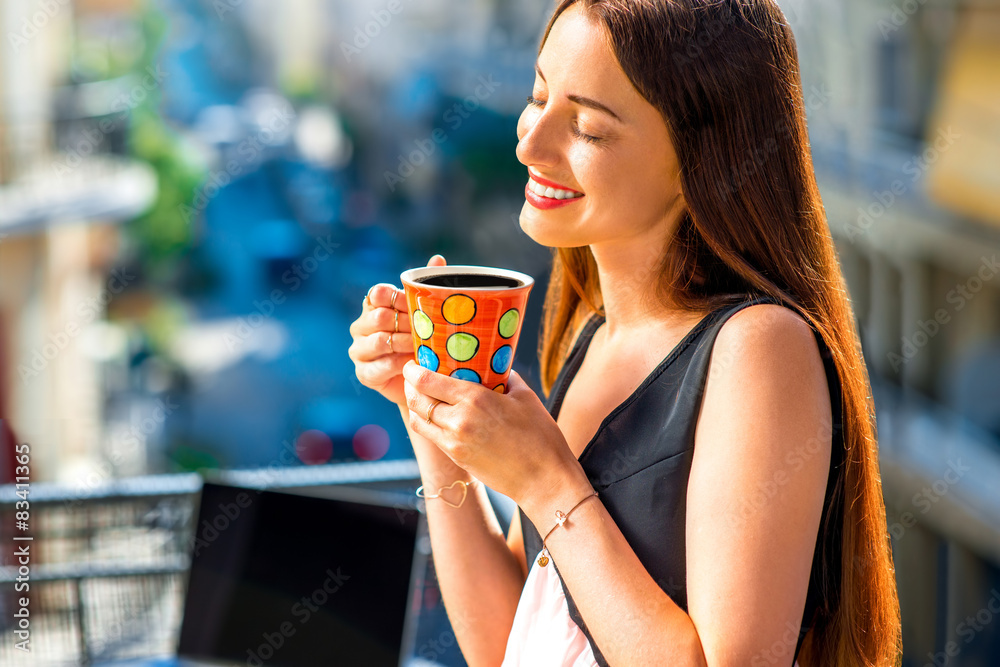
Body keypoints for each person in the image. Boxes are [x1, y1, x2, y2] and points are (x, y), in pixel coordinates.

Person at [348, 0, 902, 665]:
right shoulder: (595, 337)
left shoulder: (758, 347)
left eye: (585, 126)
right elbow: (514, 642)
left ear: (701, 156)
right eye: (538, 96)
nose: (528, 141)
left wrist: (547, 481)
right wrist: (428, 413)